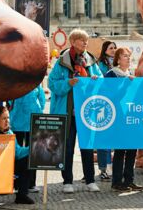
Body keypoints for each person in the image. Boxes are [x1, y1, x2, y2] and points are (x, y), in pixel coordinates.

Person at [48, 29, 102, 194]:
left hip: (86, 112)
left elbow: (101, 81)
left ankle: (90, 180)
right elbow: (52, 84)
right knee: (68, 148)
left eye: (86, 40)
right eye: (81, 40)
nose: (85, 43)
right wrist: (68, 83)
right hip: (67, 112)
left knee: (87, 146)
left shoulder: (91, 61)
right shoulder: (62, 62)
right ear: (73, 42)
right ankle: (67, 181)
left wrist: (95, 80)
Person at [104, 47, 143, 192]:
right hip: (118, 117)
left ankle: (129, 180)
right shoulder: (111, 75)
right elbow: (109, 97)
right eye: (125, 56)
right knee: (120, 151)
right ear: (118, 59)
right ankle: (117, 181)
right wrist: (126, 84)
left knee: (132, 149)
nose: (128, 58)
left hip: (131, 116)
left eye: (129, 56)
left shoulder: (129, 74)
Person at [0, 105, 34, 205]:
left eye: (8, 118)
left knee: (29, 159)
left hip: (10, 166)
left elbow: (18, 152)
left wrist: (32, 148)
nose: (7, 121)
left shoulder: (9, 132)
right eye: (3, 118)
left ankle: (21, 196)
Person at [8, 83, 46, 193]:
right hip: (19, 120)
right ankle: (16, 183)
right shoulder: (28, 82)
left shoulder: (34, 82)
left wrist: (38, 111)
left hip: (30, 120)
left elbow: (42, 98)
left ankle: (30, 183)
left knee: (33, 153)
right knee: (15, 153)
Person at [96, 41, 116, 181]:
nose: (113, 50)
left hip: (115, 104)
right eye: (111, 48)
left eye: (115, 48)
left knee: (112, 139)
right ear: (105, 50)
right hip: (104, 104)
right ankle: (103, 168)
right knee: (103, 139)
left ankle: (110, 166)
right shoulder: (101, 65)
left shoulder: (117, 64)